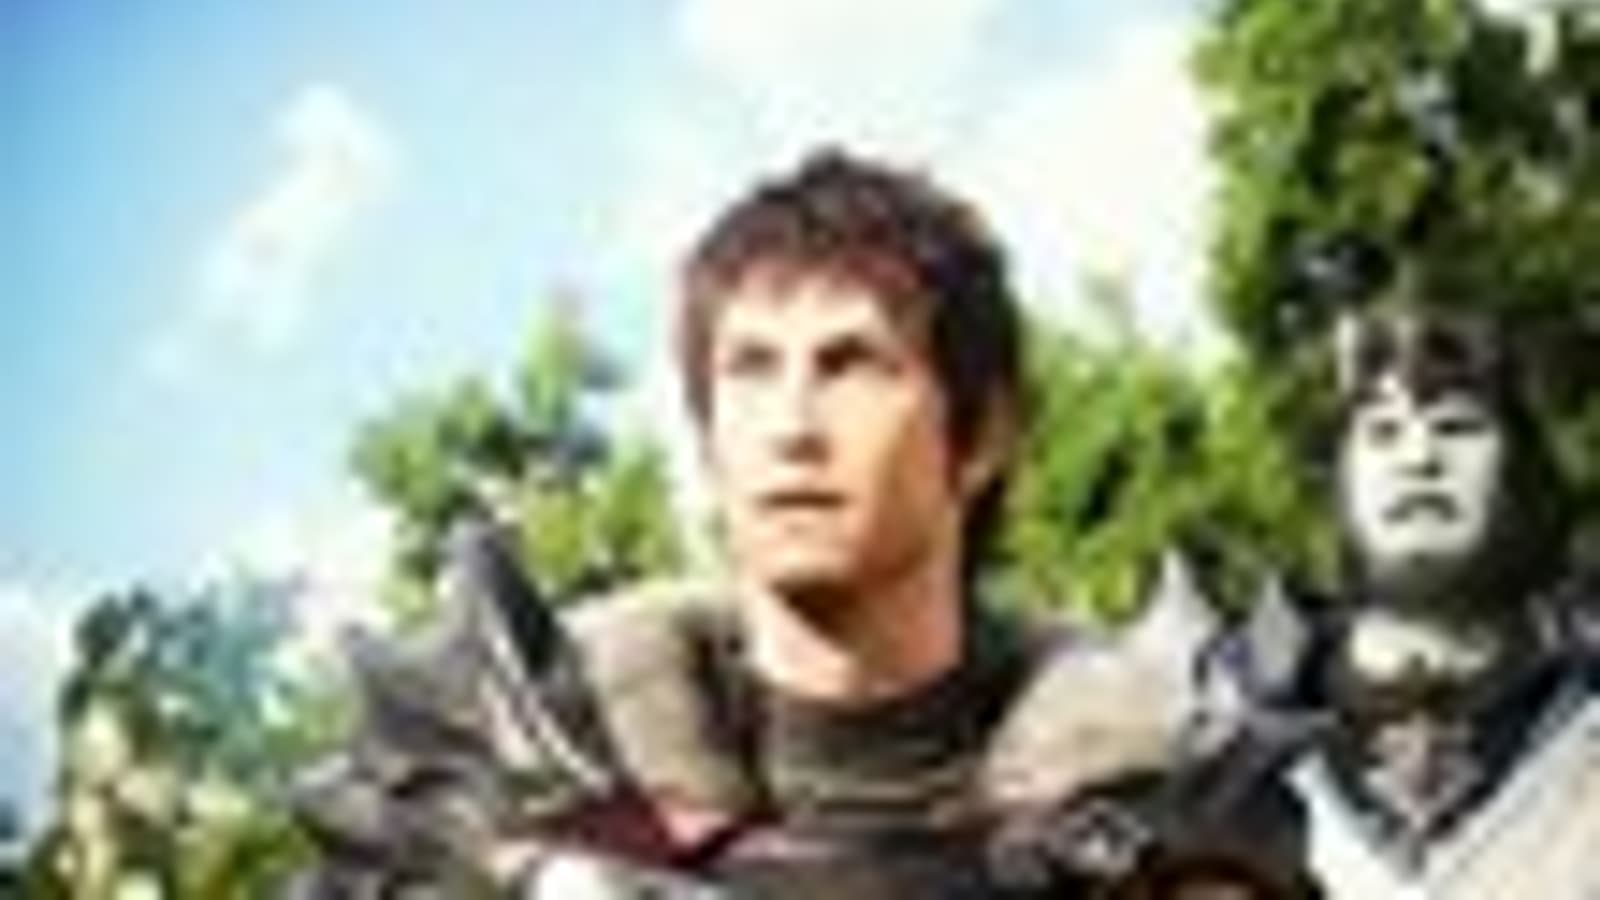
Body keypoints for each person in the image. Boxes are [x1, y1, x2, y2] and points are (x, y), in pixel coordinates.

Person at [290, 149, 1307, 898]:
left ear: (983, 434)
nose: (790, 426)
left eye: (851, 364)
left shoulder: (1171, 797)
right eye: (749, 369)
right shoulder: (513, 786)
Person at [1226, 305, 1600, 897]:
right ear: (1340, 477)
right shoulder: (1228, 752)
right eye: (1383, 432)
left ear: (1518, 469)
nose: (1420, 459)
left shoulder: (1582, 718)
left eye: (1456, 428)